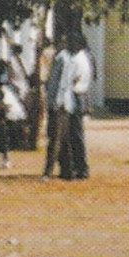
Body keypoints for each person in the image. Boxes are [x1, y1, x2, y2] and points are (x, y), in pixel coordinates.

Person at [57, 31, 94, 179]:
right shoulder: (86, 57)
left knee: (72, 134)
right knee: (75, 134)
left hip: (74, 95)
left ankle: (78, 167)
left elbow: (71, 80)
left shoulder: (77, 60)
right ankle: (78, 166)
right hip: (79, 95)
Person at [41, 33, 69, 178]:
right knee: (62, 138)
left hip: (58, 105)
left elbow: (60, 85)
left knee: (54, 138)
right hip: (61, 104)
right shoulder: (62, 58)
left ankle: (48, 170)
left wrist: (55, 103)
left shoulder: (61, 59)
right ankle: (66, 170)